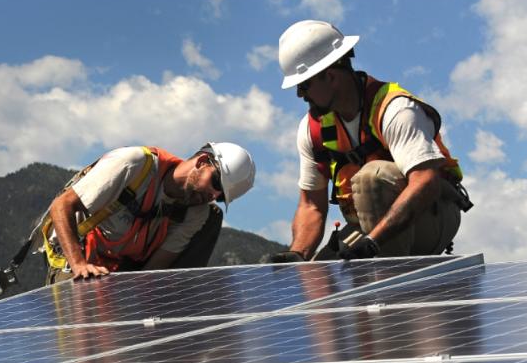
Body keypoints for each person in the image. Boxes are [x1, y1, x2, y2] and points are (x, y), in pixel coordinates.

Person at [267, 20, 469, 263]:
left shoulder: (394, 109)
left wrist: (372, 243)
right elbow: (311, 206)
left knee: (371, 177)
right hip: (365, 225)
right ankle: (372, 273)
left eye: (304, 85)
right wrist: (297, 254)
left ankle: (386, 289)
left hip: (431, 215)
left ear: (330, 77)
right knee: (322, 281)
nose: (300, 95)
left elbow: (426, 182)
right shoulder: (313, 130)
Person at [41, 142, 255, 283]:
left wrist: (137, 302)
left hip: (120, 266)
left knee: (212, 217)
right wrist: (79, 265)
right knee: (80, 321)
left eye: (221, 196)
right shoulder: (134, 164)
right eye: (215, 182)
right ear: (201, 162)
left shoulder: (196, 212)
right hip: (77, 254)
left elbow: (153, 271)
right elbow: (61, 206)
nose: (212, 194)